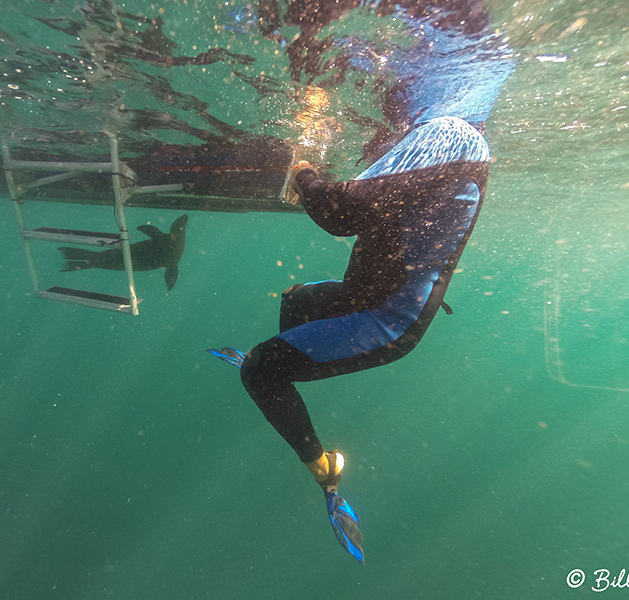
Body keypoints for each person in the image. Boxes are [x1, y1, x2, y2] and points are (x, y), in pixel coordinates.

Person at [209, 115, 490, 562]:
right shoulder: (454, 154)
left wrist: (302, 172)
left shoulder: (444, 144)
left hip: (388, 320)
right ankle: (290, 370)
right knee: (295, 298)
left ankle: (324, 469)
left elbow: (339, 212)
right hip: (367, 294)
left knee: (261, 369)